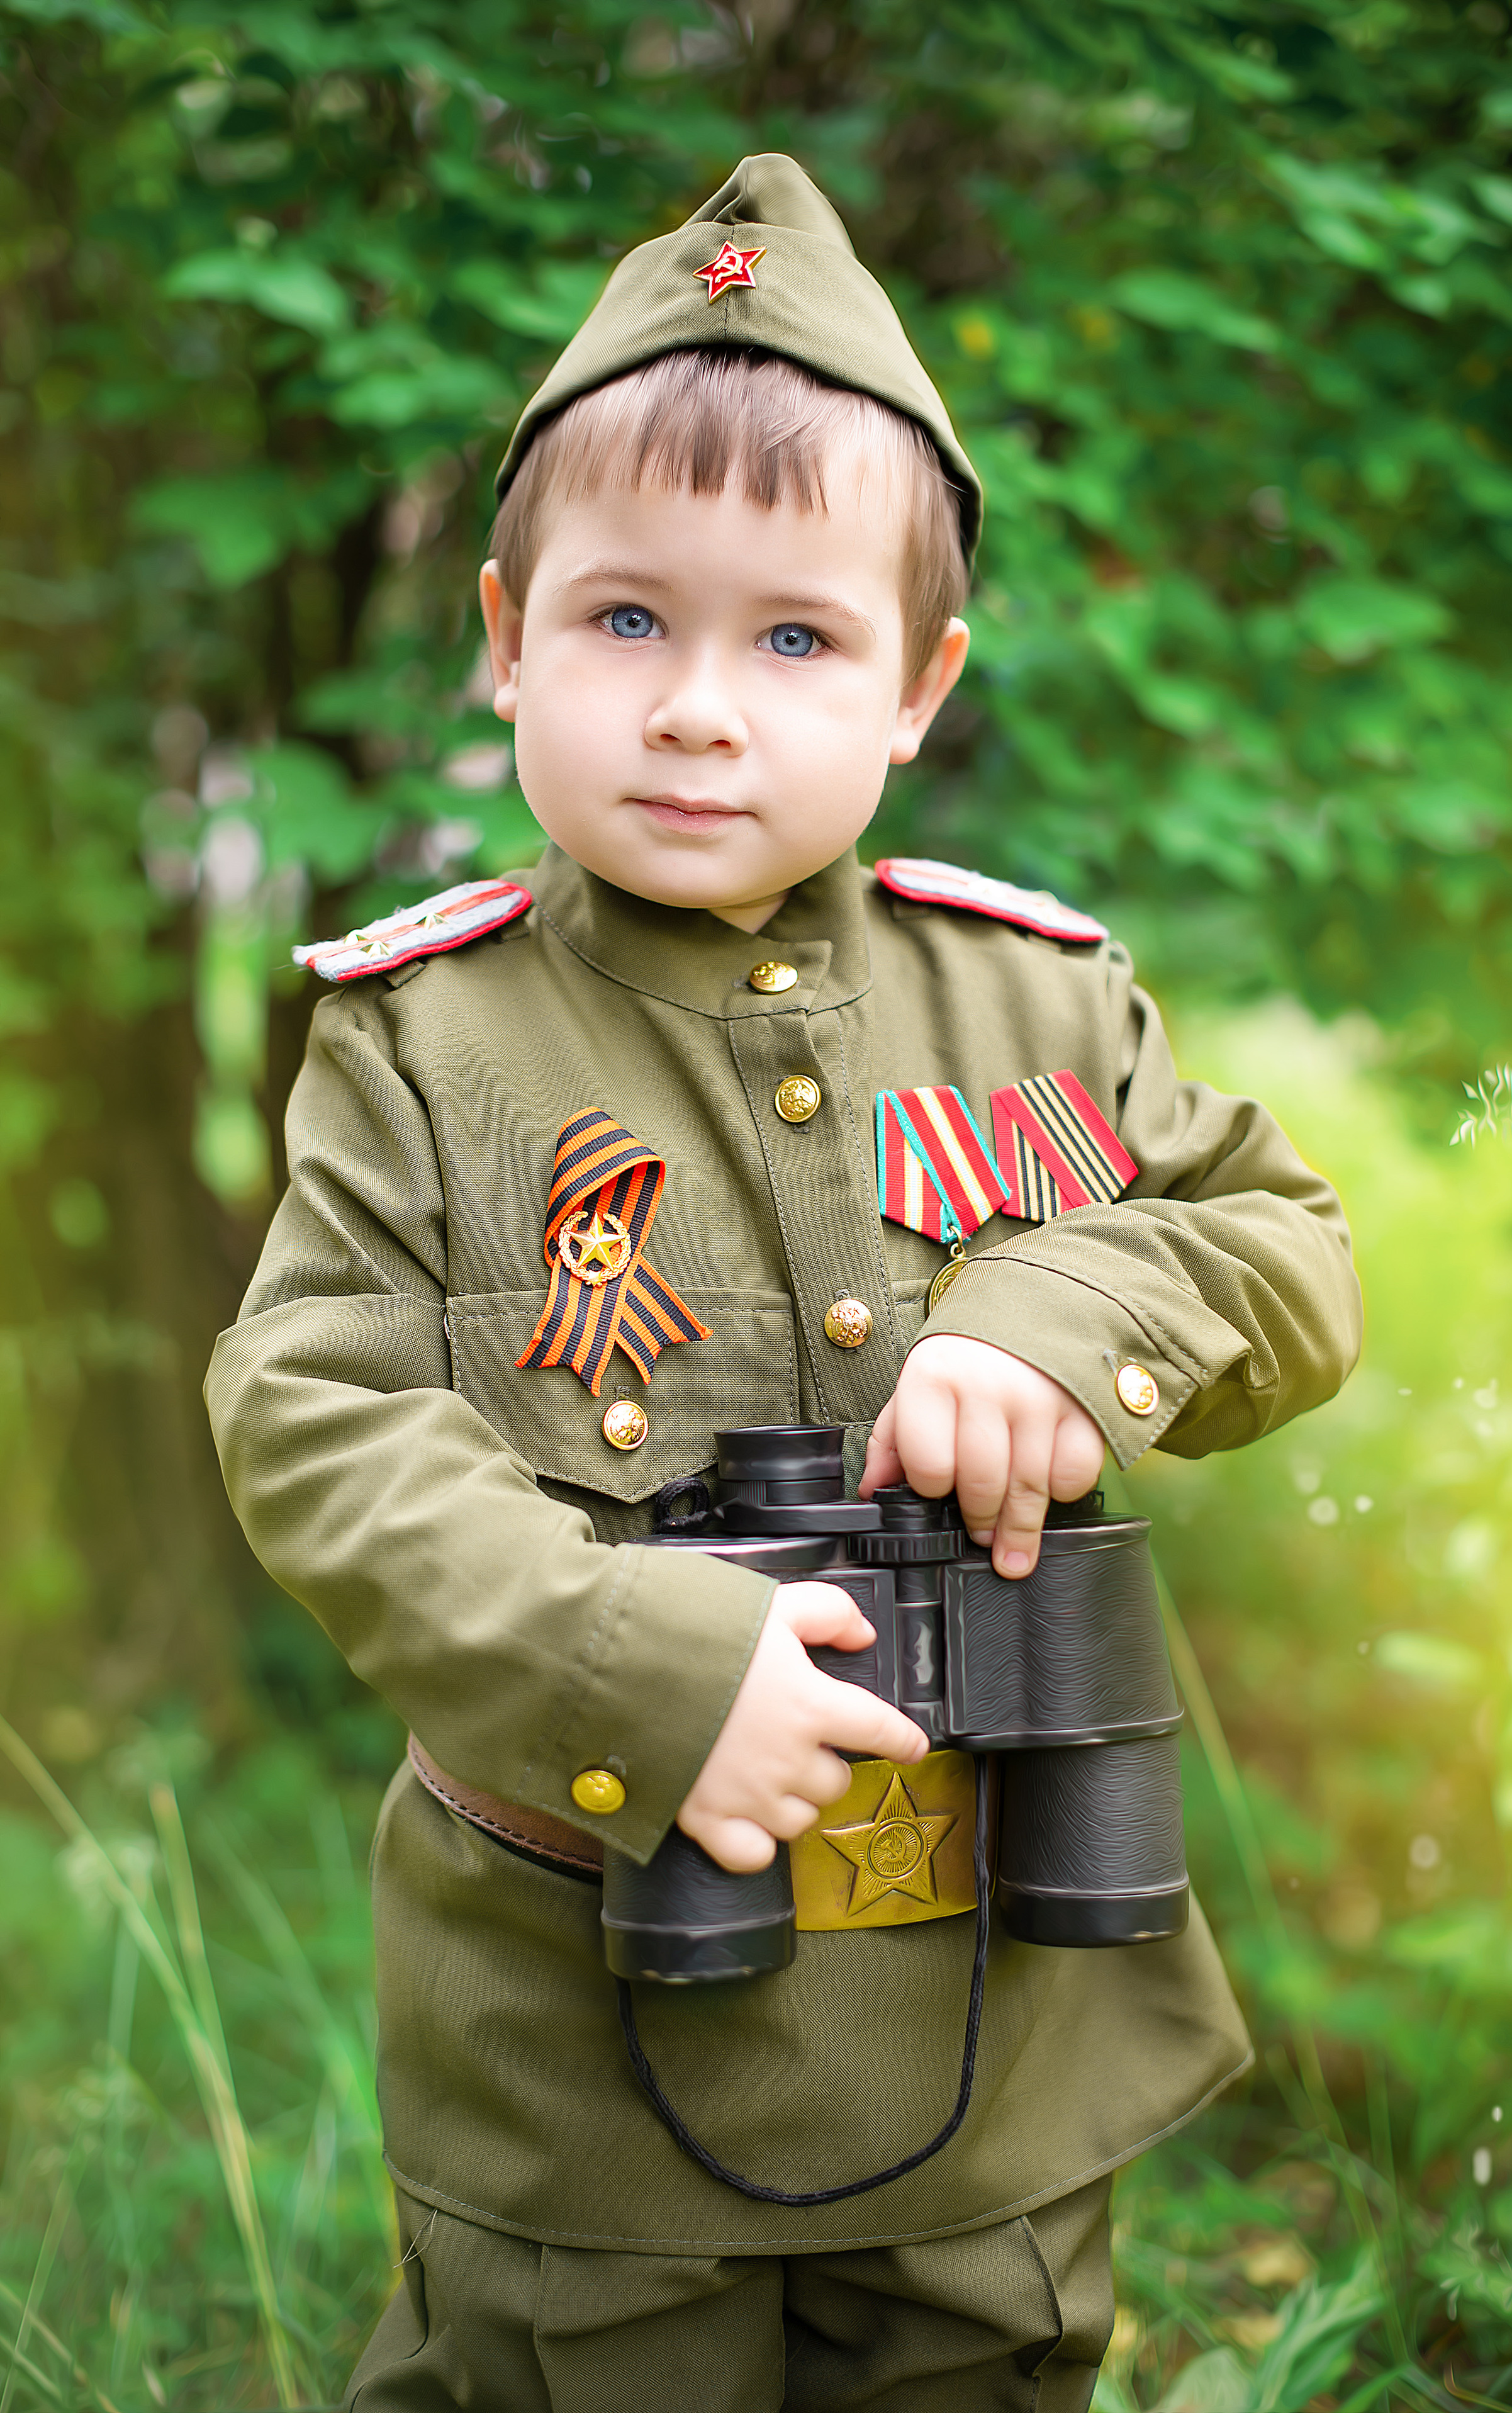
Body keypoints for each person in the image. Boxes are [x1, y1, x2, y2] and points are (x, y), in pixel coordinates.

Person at [206, 154, 1362, 2410]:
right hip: (578, 2029)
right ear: (503, 637)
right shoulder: (426, 1046)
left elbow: (1284, 1249)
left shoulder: (1037, 1007)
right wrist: (628, 1661)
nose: (700, 709)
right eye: (626, 620)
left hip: (993, 2021)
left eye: (795, 638)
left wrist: (1057, 1322)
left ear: (919, 685)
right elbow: (313, 1413)